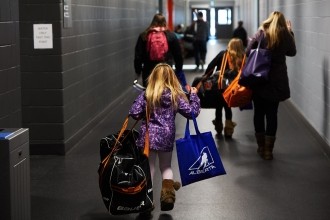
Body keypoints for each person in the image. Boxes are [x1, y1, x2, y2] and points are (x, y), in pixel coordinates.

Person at [129, 63, 200, 213]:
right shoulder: (175, 95)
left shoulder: (148, 94)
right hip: (166, 136)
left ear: (153, 78)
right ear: (172, 78)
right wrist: (193, 95)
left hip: (148, 137)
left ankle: (146, 201)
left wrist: (142, 105)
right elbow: (192, 112)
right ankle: (168, 196)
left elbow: (134, 113)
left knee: (149, 167)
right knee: (166, 167)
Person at [247, 11, 296, 160]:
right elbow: (292, 52)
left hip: (259, 79)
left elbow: (247, 51)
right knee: (272, 114)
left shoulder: (261, 33)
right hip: (277, 81)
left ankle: (261, 146)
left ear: (269, 20)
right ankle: (268, 151)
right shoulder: (285, 35)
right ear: (282, 22)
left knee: (259, 113)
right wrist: (289, 32)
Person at [203, 38, 246, 138]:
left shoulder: (223, 54)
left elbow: (211, 65)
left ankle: (218, 127)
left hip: (219, 87)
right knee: (228, 107)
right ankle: (229, 130)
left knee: (218, 106)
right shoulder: (242, 56)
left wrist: (206, 76)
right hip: (232, 88)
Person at [134, 13, 189, 91]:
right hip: (166, 70)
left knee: (149, 94)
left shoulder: (144, 36)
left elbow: (138, 56)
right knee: (166, 93)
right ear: (165, 22)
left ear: (152, 22)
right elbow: (178, 55)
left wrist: (138, 71)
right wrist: (179, 69)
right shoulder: (171, 35)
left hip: (149, 71)